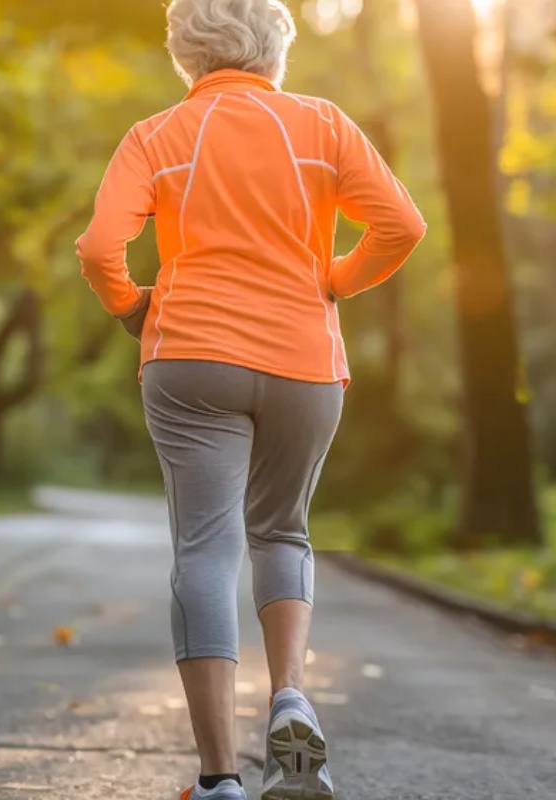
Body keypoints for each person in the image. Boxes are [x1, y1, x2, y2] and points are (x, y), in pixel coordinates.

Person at [75, 0, 427, 798]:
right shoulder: (323, 125)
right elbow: (402, 225)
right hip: (304, 359)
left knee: (205, 548)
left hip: (191, 358)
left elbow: (100, 248)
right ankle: (290, 700)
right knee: (282, 534)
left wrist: (132, 305)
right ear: (276, 49)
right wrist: (332, 281)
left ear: (185, 54)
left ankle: (218, 780)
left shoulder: (156, 136)